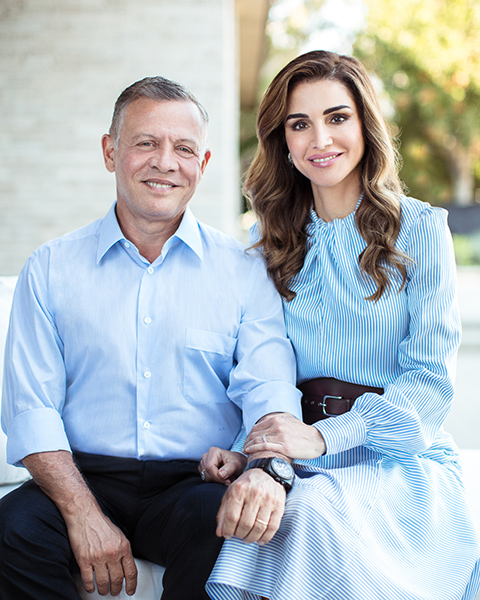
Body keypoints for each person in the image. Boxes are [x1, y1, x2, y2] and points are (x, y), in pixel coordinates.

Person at [0, 76, 303, 600]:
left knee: (230, 527)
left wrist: (258, 464)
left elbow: (268, 390)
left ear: (202, 166)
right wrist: (81, 513)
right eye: (146, 143)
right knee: (12, 529)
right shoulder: (51, 269)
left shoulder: (243, 272)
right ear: (110, 151)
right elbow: (31, 409)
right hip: (82, 475)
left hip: (194, 483)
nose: (165, 162)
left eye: (183, 148)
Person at [203, 51, 480, 600]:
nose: (319, 139)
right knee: (271, 510)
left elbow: (428, 386)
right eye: (299, 124)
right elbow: (261, 367)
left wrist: (324, 437)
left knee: (306, 515)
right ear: (282, 140)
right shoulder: (266, 246)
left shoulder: (423, 231)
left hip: (397, 458)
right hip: (292, 457)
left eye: (337, 117)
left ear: (364, 125)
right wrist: (249, 449)